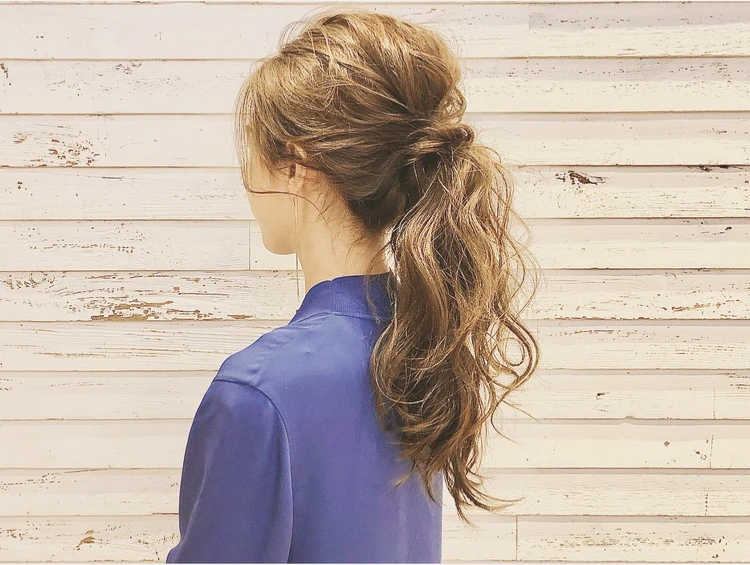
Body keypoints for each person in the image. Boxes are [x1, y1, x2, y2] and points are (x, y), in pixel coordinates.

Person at [166, 7, 540, 563]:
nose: (246, 181)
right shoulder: (422, 350)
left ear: (295, 165)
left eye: (252, 155)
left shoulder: (260, 392)